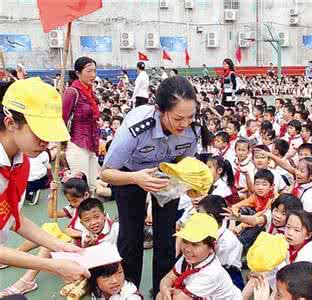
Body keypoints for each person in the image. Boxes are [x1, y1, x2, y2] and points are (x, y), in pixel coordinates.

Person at [100, 76, 205, 296]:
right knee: (131, 235)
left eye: (190, 117)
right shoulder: (136, 128)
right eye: (178, 118)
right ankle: (129, 290)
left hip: (167, 175)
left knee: (166, 236)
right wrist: (137, 178)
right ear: (160, 110)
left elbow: (185, 165)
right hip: (129, 174)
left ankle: (162, 289)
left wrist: (190, 185)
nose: (185, 124)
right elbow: (107, 172)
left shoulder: (192, 130)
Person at [0, 78, 89, 291]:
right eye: (39, 133)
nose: (46, 143)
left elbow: (12, 217)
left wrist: (58, 245)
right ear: (10, 123)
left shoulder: (21, 163)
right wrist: (52, 265)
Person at [157, 213, 242, 300]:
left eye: (195, 244)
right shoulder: (189, 259)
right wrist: (164, 288)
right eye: (185, 241)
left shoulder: (211, 273)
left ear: (212, 247)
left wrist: (170, 292)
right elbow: (168, 278)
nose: (187, 249)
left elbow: (179, 298)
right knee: (161, 295)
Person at [62, 56, 100, 195]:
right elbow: (62, 118)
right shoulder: (72, 92)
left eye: (95, 71)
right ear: (78, 73)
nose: (93, 75)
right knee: (80, 188)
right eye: (89, 71)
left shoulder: (90, 92)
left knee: (92, 186)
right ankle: (78, 216)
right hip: (77, 144)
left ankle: (90, 216)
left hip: (92, 144)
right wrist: (61, 143)